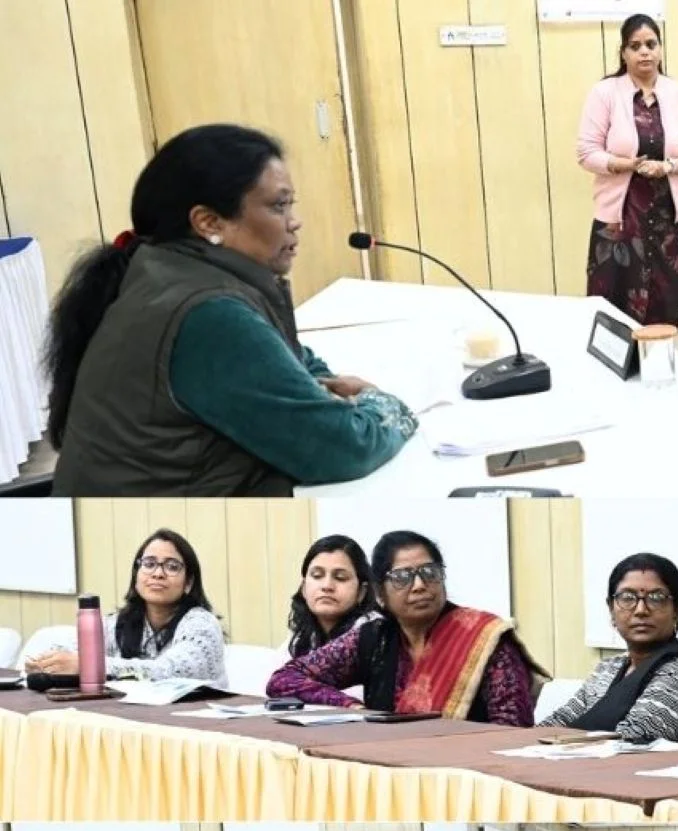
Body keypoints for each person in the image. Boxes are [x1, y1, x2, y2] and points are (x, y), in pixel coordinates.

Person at [45, 124, 415, 496]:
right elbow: (343, 449)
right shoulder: (207, 312)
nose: (294, 221)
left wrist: (311, 389)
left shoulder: (168, 270)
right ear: (209, 222)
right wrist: (377, 403)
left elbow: (289, 357)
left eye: (290, 204)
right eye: (278, 206)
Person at [267, 530, 547, 723]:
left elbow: (512, 729)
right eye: (402, 577)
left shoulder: (485, 639)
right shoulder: (375, 638)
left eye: (429, 572)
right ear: (379, 592)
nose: (419, 586)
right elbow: (284, 680)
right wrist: (350, 706)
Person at [577, 14, 678, 327]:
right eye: (635, 46)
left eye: (651, 44)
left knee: (666, 308)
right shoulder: (605, 93)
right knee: (616, 307)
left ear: (661, 49)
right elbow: (586, 153)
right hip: (621, 221)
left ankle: (659, 368)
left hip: (672, 222)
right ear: (623, 53)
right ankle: (618, 372)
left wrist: (670, 166)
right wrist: (628, 165)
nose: (644, 52)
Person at [540, 552, 678, 743]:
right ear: (611, 608)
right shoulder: (608, 669)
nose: (641, 610)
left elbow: (631, 740)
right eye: (627, 598)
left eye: (656, 598)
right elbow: (555, 725)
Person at [24, 529, 228, 687]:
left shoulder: (201, 624)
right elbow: (74, 651)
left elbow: (168, 671)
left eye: (172, 566)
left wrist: (90, 666)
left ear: (189, 583)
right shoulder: (119, 621)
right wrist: (48, 662)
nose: (157, 574)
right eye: (149, 564)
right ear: (136, 575)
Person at [286, 534, 378, 658]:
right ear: (303, 588)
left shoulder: (374, 635)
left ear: (361, 591)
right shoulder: (300, 639)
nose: (327, 586)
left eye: (340, 577)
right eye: (317, 576)